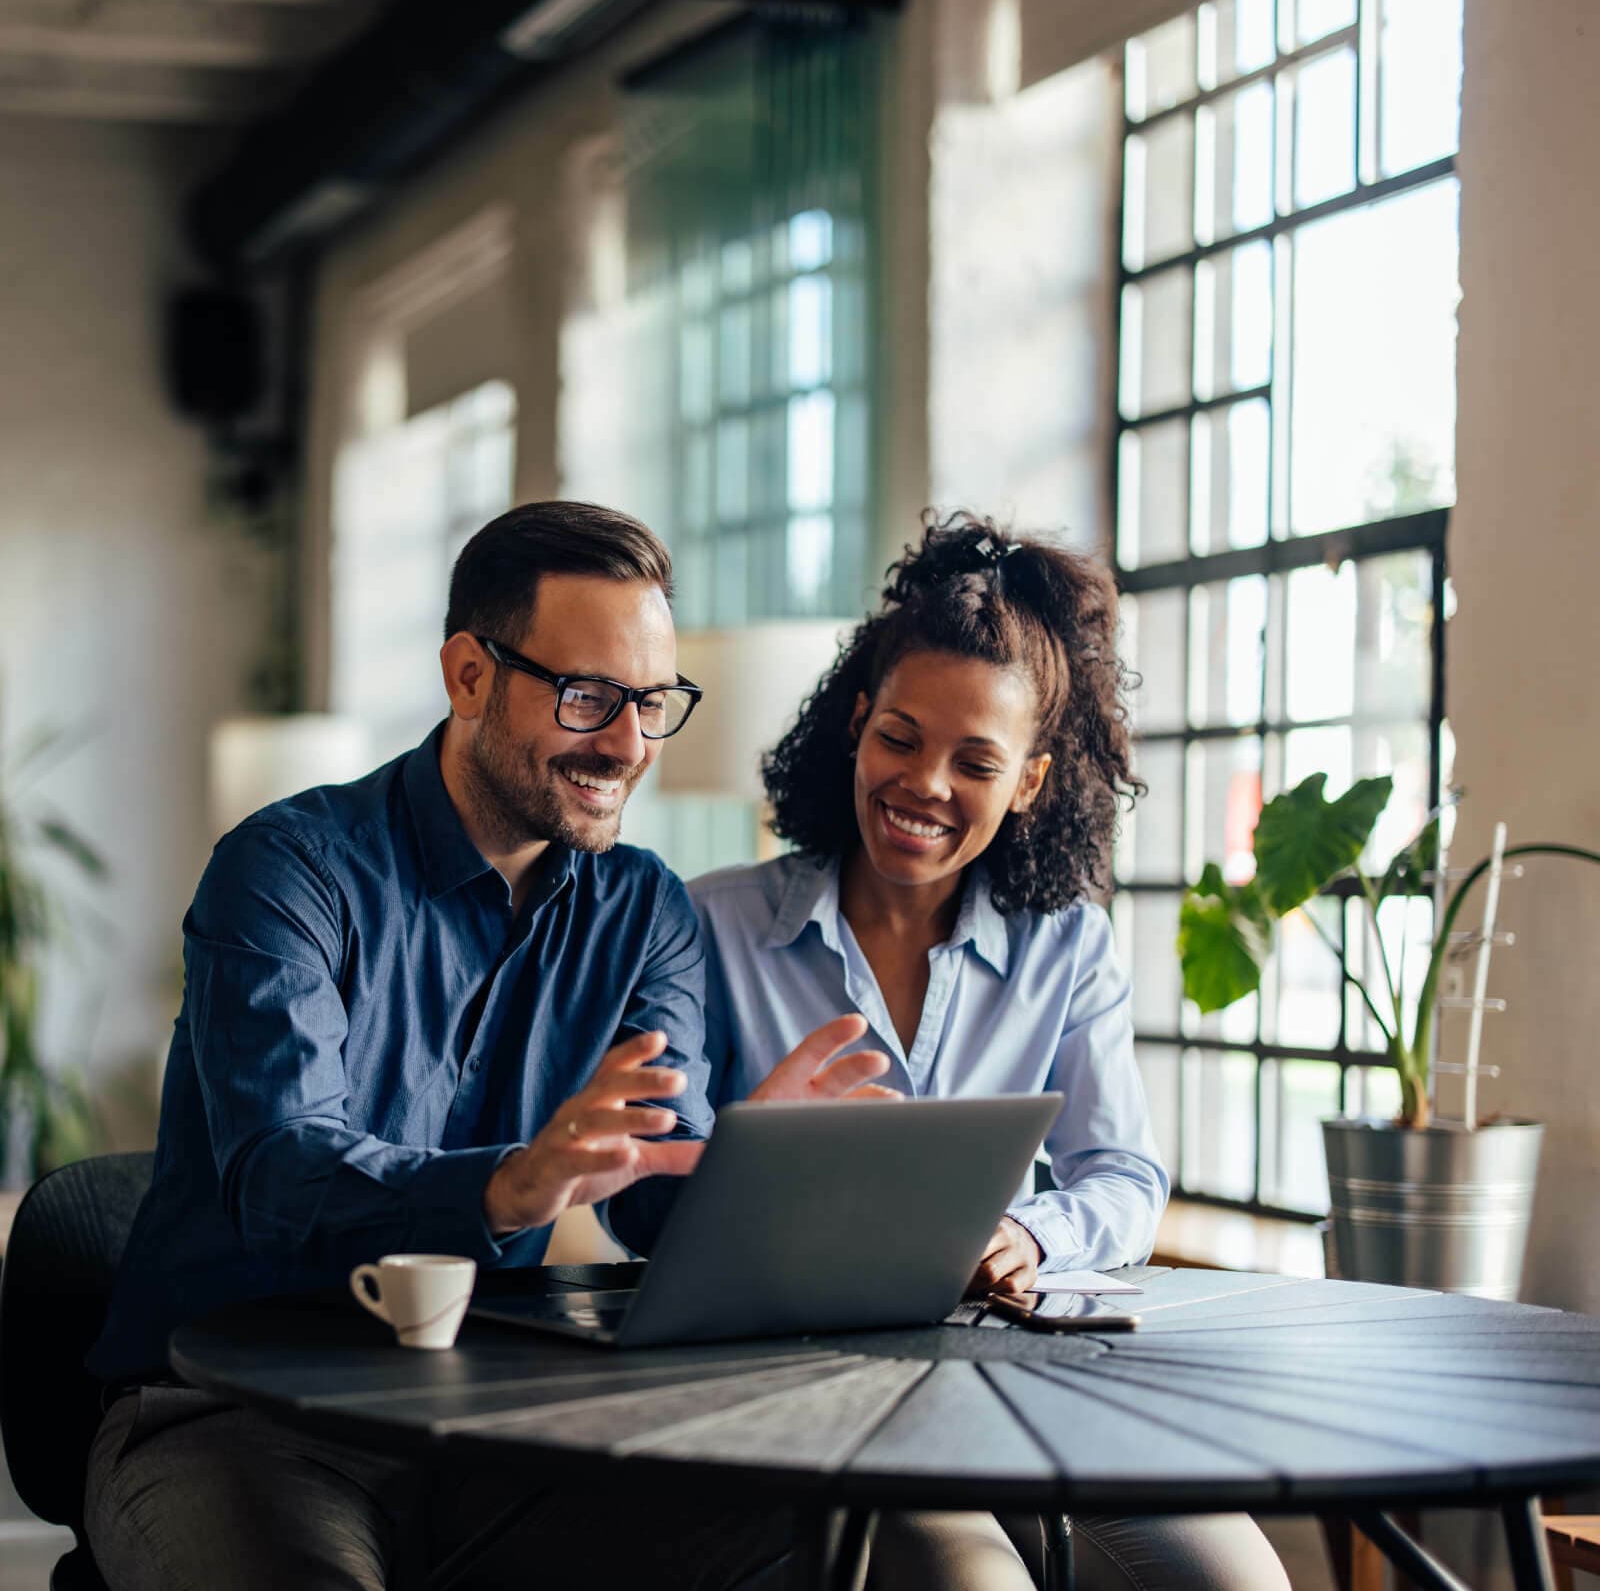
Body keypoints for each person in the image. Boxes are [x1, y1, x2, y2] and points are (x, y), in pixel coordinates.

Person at [82, 501, 886, 1591]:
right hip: (231, 1412)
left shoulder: (644, 910)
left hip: (494, 1417)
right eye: (588, 696)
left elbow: (650, 1195)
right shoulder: (289, 871)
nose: (628, 744)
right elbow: (279, 1174)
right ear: (469, 675)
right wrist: (509, 1188)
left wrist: (749, 1170)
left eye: (653, 702)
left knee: (842, 1543)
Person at [692, 512, 1291, 1591]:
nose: (924, 783)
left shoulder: (1066, 948)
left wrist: (1026, 1230)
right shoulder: (713, 926)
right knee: (972, 1582)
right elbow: (652, 1190)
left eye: (975, 760)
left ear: (1028, 783)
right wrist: (742, 1151)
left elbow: (1125, 1176)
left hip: (1013, 1362)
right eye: (900, 737)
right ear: (854, 727)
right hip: (802, 1380)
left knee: (1236, 1577)